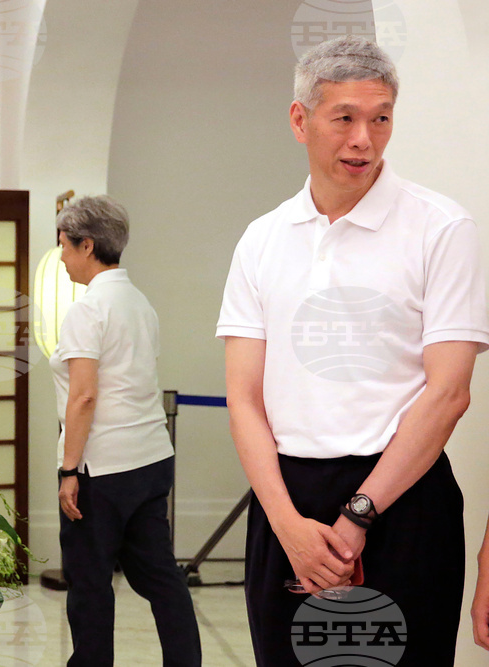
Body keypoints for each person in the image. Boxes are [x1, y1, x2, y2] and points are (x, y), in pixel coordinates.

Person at [217, 35, 489, 666]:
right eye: (344, 118)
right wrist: (285, 524)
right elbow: (244, 396)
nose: (363, 139)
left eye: (381, 118)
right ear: (299, 120)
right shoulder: (262, 240)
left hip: (402, 499)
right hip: (287, 503)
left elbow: (448, 393)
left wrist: (357, 517)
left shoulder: (440, 227)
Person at [51, 195, 201, 667]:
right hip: (152, 458)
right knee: (160, 577)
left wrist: (68, 470)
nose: (61, 257)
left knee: (90, 583)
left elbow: (84, 397)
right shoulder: (139, 303)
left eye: (64, 246)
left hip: (104, 468)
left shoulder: (88, 310)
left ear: (87, 245)